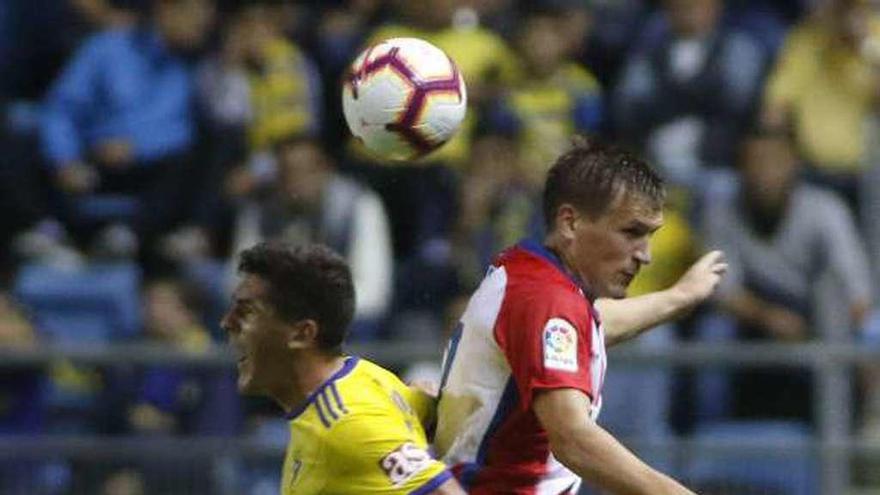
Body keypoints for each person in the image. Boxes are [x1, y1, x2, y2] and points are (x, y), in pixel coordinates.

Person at [434, 136, 727, 494]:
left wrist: (678, 297)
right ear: (570, 223)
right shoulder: (547, 300)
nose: (644, 255)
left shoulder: (529, 274)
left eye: (649, 236)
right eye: (631, 232)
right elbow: (571, 436)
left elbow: (594, 324)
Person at [220, 242, 463, 494]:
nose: (227, 322)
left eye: (247, 312)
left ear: (302, 334)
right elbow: (425, 407)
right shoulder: (362, 378)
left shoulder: (347, 424)